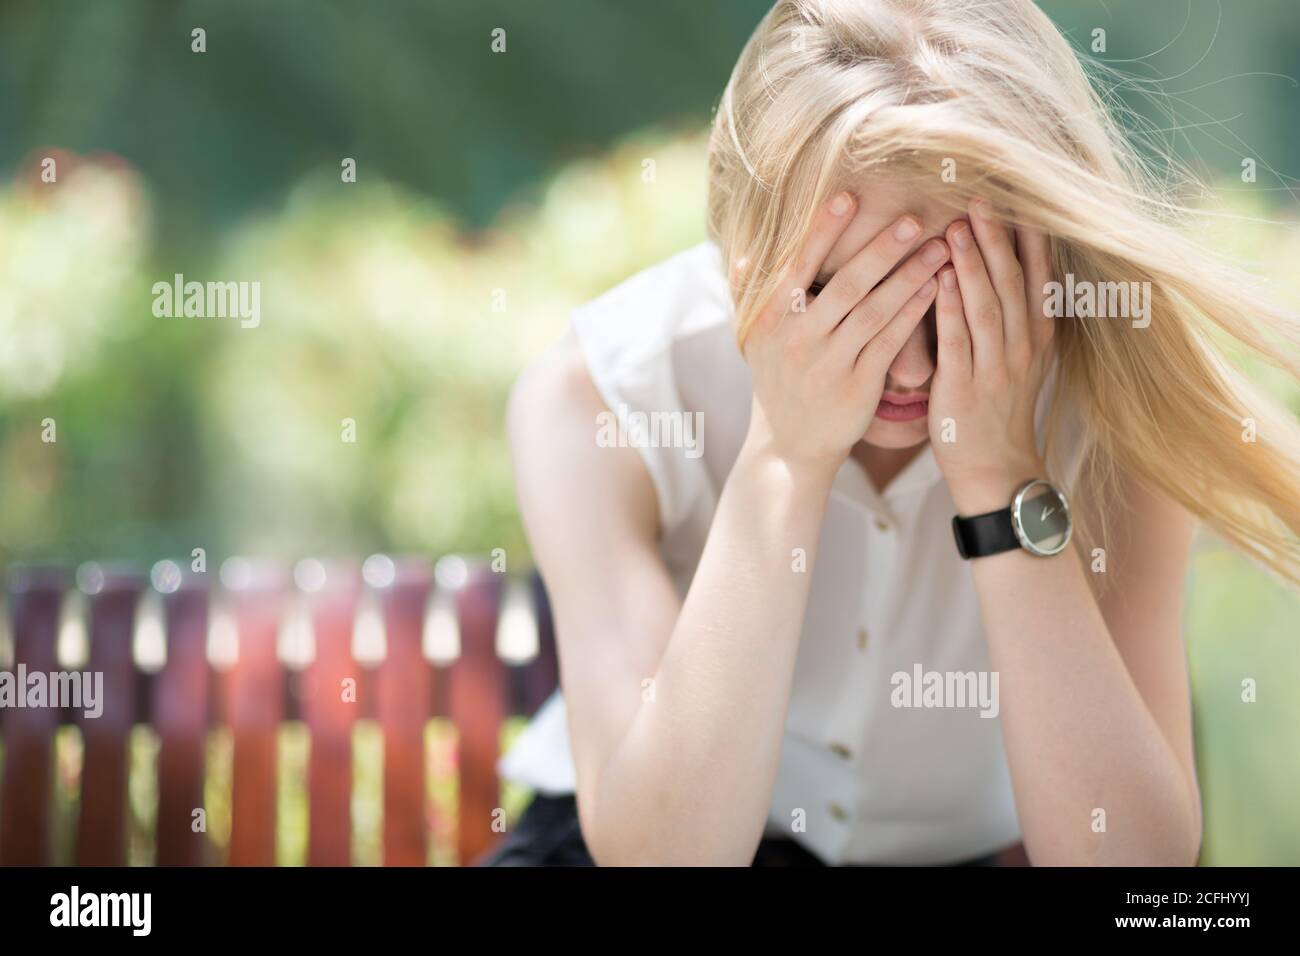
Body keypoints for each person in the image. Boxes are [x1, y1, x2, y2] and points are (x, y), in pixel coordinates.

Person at [481, 0, 1300, 866]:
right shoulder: (599, 396)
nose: (908, 371)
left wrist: (1001, 480)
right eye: (853, 303)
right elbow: (659, 855)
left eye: (959, 300)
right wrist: (785, 458)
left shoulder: (1116, 398)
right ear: (738, 249)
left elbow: (1135, 872)